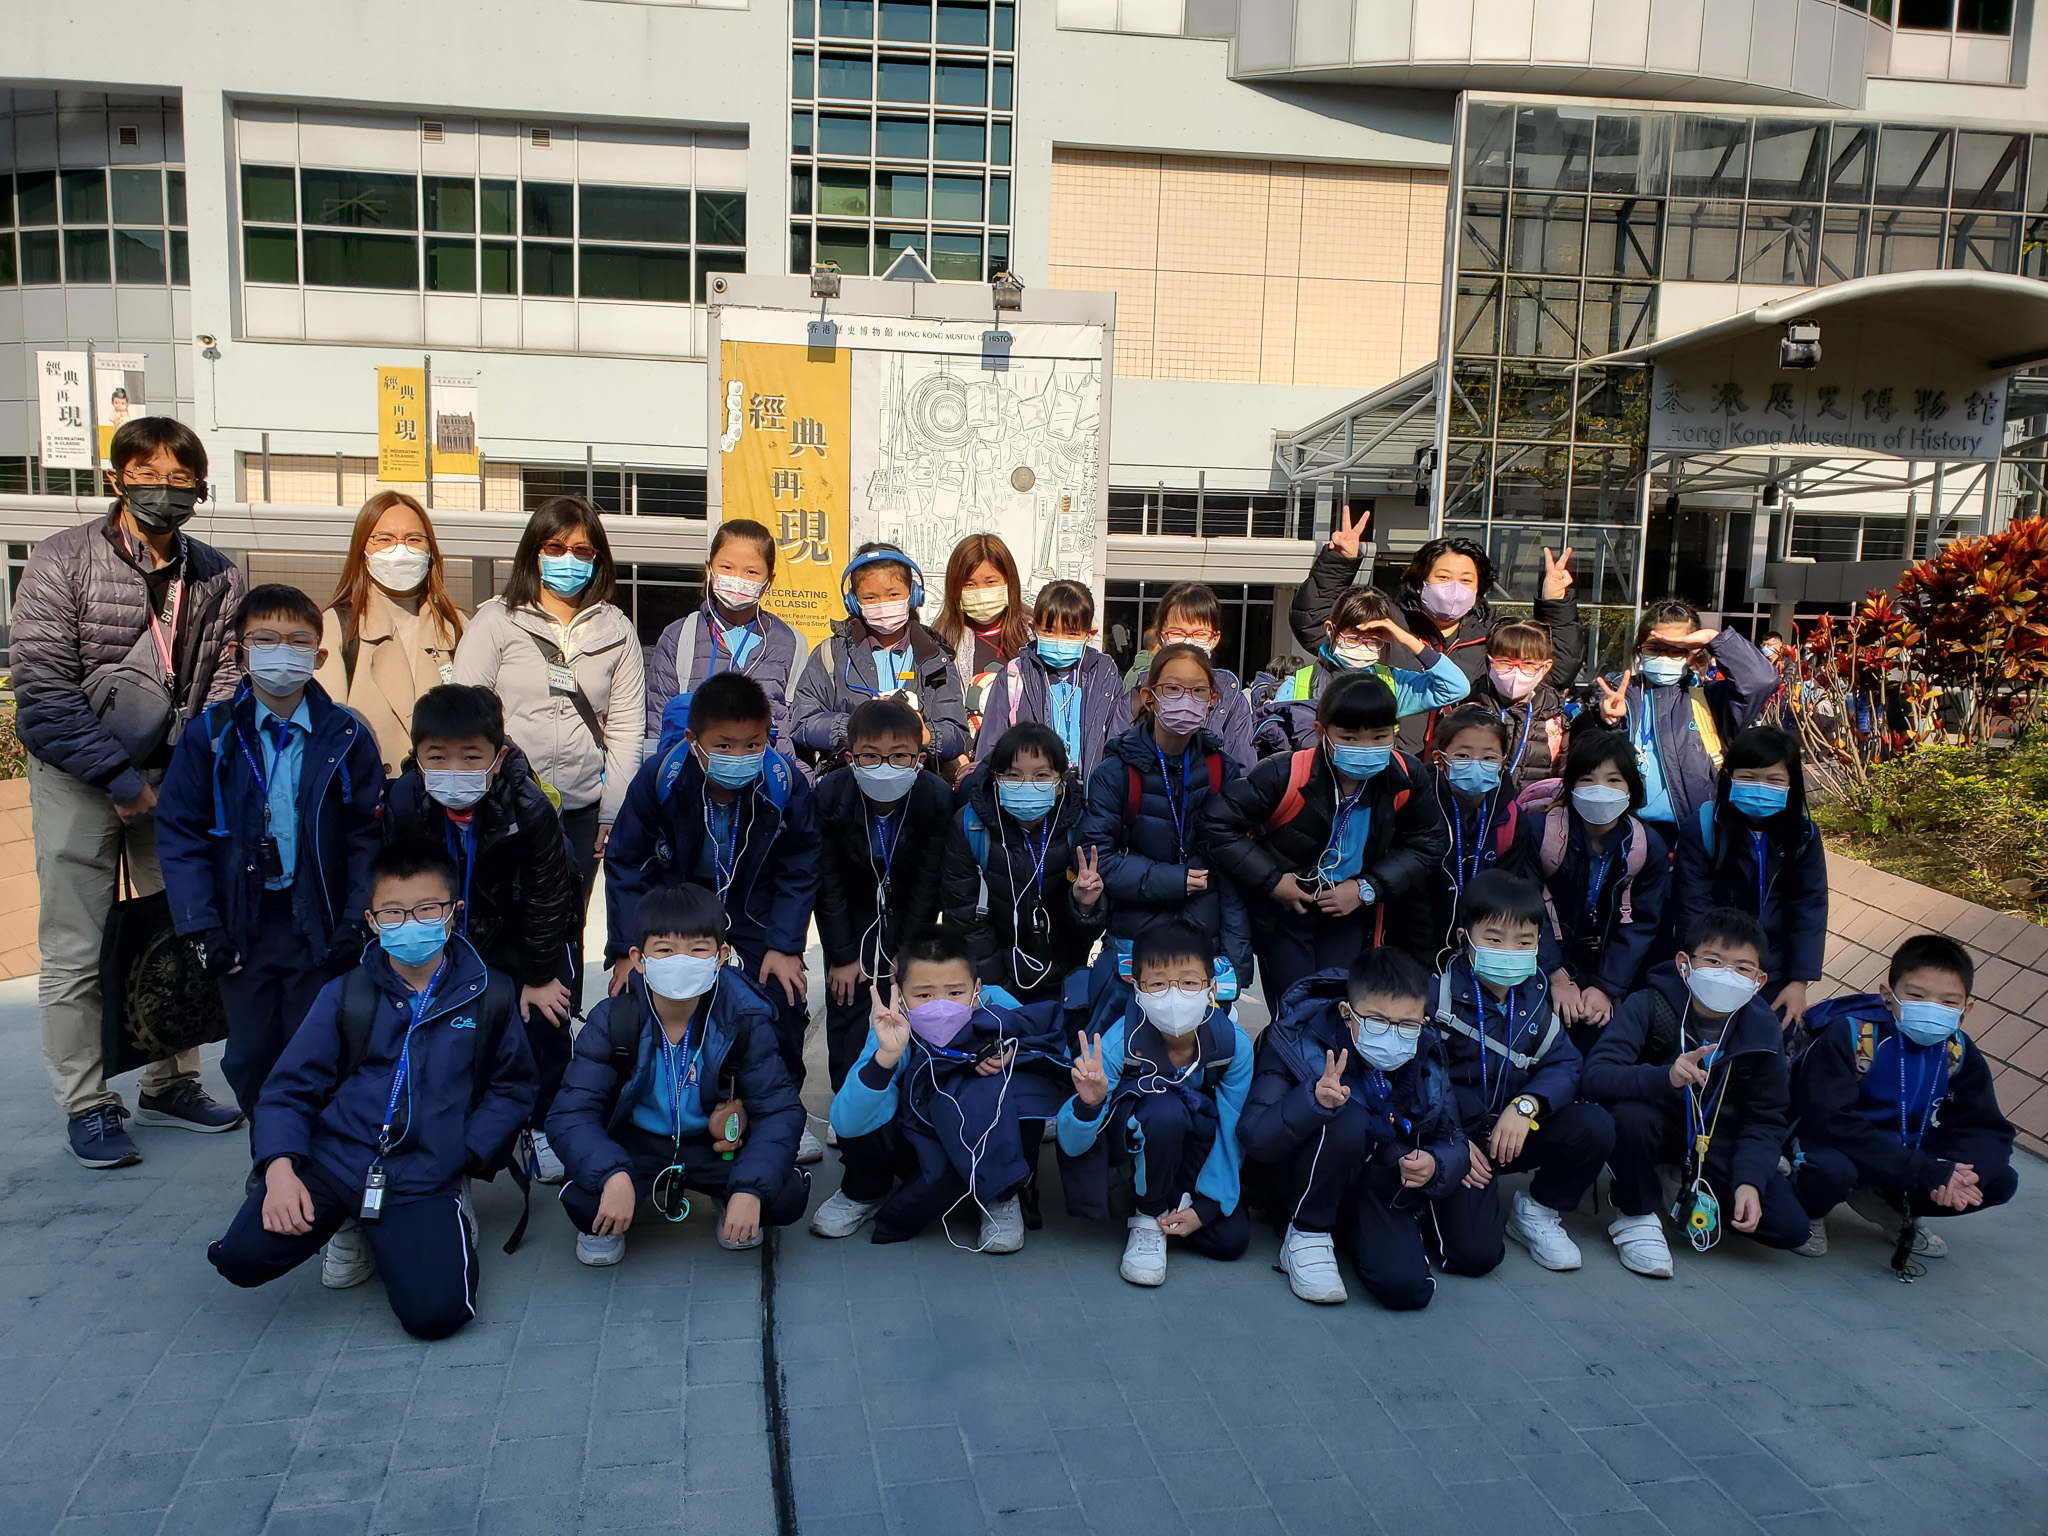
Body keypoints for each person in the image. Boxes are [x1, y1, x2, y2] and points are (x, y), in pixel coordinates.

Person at [13, 416, 247, 1165]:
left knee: (178, 931)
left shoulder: (217, 573)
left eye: (180, 478)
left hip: (172, 782)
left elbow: (225, 678)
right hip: (77, 776)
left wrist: (186, 776)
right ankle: (87, 1101)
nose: (163, 490)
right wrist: (114, 777)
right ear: (116, 478)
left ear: (200, 487)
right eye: (147, 475)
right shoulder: (61, 560)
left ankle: (171, 1080)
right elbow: (42, 686)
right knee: (76, 948)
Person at [206, 842, 536, 1338]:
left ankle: (421, 1219)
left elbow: (513, 1088)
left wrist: (464, 1154)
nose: (411, 923)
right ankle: (351, 1220)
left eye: (427, 909)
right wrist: (278, 1169)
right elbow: (288, 1089)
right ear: (373, 920)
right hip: (335, 1159)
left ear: (454, 912)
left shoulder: (492, 993)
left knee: (436, 1316)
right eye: (394, 913)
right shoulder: (346, 992)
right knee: (241, 1259)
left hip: (426, 1169)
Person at [157, 584, 385, 1129]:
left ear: (319, 657)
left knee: (319, 1042)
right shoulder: (210, 736)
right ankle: (271, 1150)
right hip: (244, 926)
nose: (283, 652)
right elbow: (181, 835)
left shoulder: (347, 735)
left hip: (319, 925)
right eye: (266, 639)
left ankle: (314, 1151)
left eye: (298, 642)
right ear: (239, 652)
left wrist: (357, 918)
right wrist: (202, 927)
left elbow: (367, 835)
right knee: (251, 1052)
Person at [604, 673, 820, 1161]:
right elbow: (625, 864)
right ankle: (651, 1110)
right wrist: (624, 949)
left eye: (753, 744)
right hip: (679, 908)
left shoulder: (784, 781)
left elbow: (801, 866)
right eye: (724, 745)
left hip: (753, 910)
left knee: (782, 997)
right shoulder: (660, 778)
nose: (739, 755)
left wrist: (785, 945)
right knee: (644, 998)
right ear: (693, 740)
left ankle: (781, 1112)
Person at [547, 884, 810, 1264]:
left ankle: (732, 1200)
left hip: (714, 1145)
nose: (681, 962)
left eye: (698, 949)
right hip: (637, 1143)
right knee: (586, 1202)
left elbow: (779, 1111)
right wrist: (611, 1175)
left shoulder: (744, 1019)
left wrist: (749, 1189)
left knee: (781, 1195)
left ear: (720, 957)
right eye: (665, 950)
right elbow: (571, 1113)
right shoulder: (613, 1020)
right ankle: (618, 1200)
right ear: (639, 959)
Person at [382, 685, 580, 1178]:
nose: (454, 770)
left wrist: (539, 975)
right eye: (437, 757)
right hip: (440, 933)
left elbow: (548, 896)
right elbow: (395, 879)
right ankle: (446, 1125)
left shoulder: (529, 806)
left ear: (498, 756)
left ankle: (544, 1122)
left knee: (543, 1018)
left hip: (521, 932)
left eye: (471, 756)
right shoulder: (405, 801)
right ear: (417, 755)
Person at [453, 496, 645, 1002]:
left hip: (580, 811)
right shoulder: (496, 621)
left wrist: (614, 811)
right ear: (533, 552)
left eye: (582, 551)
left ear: (599, 559)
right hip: (507, 808)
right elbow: (465, 714)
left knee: (564, 924)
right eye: (555, 547)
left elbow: (626, 728)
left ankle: (558, 1025)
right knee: (503, 920)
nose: (568, 560)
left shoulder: (618, 630)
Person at [1582, 908, 1808, 1279]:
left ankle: (1681, 1181)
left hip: (1715, 1138)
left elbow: (1765, 1117)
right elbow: (1596, 1076)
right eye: (1714, 961)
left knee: (1789, 1228)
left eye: (1742, 968)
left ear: (1759, 980)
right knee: (1631, 1118)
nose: (1727, 975)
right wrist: (1664, 1078)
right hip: (1658, 1123)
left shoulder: (1764, 1029)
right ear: (1684, 964)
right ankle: (1636, 1213)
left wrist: (1750, 1180)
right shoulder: (1649, 1003)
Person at [814, 929, 1072, 1251]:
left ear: (977, 990)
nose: (940, 1006)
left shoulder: (999, 1008)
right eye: (923, 995)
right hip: (919, 1140)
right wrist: (885, 1059)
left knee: (1022, 1087)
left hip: (983, 1132)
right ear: (901, 995)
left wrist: (1014, 1056)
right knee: (866, 1098)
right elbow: (845, 1122)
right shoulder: (894, 1024)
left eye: (955, 992)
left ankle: (1001, 1198)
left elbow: (1056, 1059)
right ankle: (864, 1191)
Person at [1203, 671, 1448, 1010]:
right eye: (1350, 738)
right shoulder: (1285, 773)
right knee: (1295, 1010)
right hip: (1286, 912)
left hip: (1350, 910)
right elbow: (1217, 822)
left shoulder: (1405, 775)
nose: (1367, 748)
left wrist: (1367, 889)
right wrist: (1273, 881)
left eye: (1379, 737)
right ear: (1322, 732)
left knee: (1339, 1008)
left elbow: (1428, 841)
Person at [1239, 947, 1468, 1308]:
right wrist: (1311, 1101)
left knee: (1407, 1290)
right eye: (1377, 1020)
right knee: (1349, 1115)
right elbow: (1255, 1136)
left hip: (1378, 1183)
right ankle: (1307, 1235)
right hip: (1301, 1180)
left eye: (1407, 1024)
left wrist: (1436, 1164)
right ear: (1347, 1013)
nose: (1393, 1034)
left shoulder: (1426, 1050)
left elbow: (1452, 1137)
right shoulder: (1294, 1040)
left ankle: (1351, 1233)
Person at [1426, 870, 1613, 1275]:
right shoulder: (1435, 997)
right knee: (1475, 1256)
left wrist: (1527, 1104)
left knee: (1594, 1124)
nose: (1509, 951)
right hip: (1454, 1139)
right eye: (1494, 939)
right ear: (1464, 937)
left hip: (1509, 1133)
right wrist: (1451, 1140)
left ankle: (1538, 1211)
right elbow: (1419, 1079)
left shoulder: (1534, 999)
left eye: (1524, 942)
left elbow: (1566, 1063)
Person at [1791, 934, 2018, 1264]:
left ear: (1965, 1009)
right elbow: (1828, 1120)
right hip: (1841, 1145)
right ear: (1888, 995)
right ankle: (1809, 1210)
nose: (1932, 1008)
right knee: (1831, 1170)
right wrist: (1923, 1170)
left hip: (1904, 1152)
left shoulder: (1957, 1050)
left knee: (1999, 1180)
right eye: (1916, 995)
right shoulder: (1852, 1034)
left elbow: (1984, 1126)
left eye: (1948, 1002)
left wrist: (1965, 1175)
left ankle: (1891, 1204)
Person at [1055, 920, 1254, 1287]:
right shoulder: (1118, 1042)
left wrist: (1207, 1207)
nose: (1174, 996)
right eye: (1158, 985)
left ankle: (1167, 1195)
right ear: (1137, 989)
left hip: (1195, 1138)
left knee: (1229, 1240)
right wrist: (1089, 1105)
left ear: (1211, 988)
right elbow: (1071, 1145)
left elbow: (1232, 1128)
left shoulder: (1233, 1045)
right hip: (1137, 1134)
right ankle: (1147, 1216)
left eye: (1189, 983)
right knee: (1165, 1112)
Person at [1080, 644, 1252, 993]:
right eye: (1173, 688)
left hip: (1202, 947)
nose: (1185, 699)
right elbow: (1099, 860)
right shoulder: (1116, 772)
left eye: (1198, 691)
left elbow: (1234, 872)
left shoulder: (1222, 770)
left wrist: (1235, 965)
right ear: (1149, 697)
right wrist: (1176, 880)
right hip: (1134, 943)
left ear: (1212, 700)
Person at [1288, 504, 1580, 693]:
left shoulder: (1492, 638)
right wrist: (1339, 562)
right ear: (1420, 582)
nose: (1454, 588)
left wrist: (1555, 602)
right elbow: (1313, 624)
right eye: (1443, 577)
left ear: (1479, 590)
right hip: (1394, 760)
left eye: (1466, 580)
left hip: (1464, 760)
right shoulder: (1388, 625)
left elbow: (1558, 669)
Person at [815, 697, 953, 1092]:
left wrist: (905, 950)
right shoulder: (830, 795)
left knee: (903, 997)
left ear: (920, 759)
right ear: (850, 759)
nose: (885, 766)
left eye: (900, 756)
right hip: (851, 908)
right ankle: (847, 1100)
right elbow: (827, 880)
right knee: (847, 997)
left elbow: (929, 882)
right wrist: (842, 955)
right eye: (871, 756)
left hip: (908, 907)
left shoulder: (935, 797)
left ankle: (903, 1095)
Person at [1669, 727, 1828, 1030]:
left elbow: (1809, 906)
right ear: (1729, 777)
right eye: (1749, 777)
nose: (1760, 787)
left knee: (1769, 1041)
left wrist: (1799, 981)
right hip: (1712, 965)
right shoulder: (1703, 828)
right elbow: (1692, 904)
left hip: (1773, 971)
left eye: (1774, 780)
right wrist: (1712, 969)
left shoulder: (1803, 835)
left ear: (1791, 783)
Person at [1586, 596, 1779, 846]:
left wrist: (1714, 639)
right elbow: (1586, 759)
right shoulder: (1618, 695)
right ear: (1639, 649)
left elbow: (1761, 682)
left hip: (1692, 835)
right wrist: (1608, 721)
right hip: (1625, 832)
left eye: (1676, 649)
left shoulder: (1711, 699)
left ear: (1692, 653)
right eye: (1654, 648)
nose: (1664, 656)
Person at [943, 722, 1106, 1003]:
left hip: (1064, 977)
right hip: (994, 981)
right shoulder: (971, 826)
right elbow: (963, 917)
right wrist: (1000, 988)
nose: (1027, 785)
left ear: (1061, 781)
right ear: (996, 779)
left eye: (1041, 776)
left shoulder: (1079, 827)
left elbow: (1086, 932)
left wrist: (1084, 906)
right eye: (1013, 775)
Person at [1530, 730, 1671, 1042]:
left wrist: (1606, 987)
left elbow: (1642, 924)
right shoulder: (1541, 834)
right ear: (1571, 786)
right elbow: (1527, 905)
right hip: (1546, 959)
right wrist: (1555, 975)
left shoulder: (1647, 847)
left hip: (1608, 966)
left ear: (1632, 788)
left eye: (1613, 780)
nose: (1600, 790)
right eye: (1587, 780)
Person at [314, 490, 465, 778]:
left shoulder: (457, 626)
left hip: (445, 789)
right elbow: (327, 727)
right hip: (371, 792)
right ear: (363, 551)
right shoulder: (337, 625)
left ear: (430, 551)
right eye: (384, 539)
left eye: (413, 539)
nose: (400, 550)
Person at [787, 542, 970, 769]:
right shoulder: (831, 653)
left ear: (913, 595)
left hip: (917, 777)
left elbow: (956, 734)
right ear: (853, 602)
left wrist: (923, 734)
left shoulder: (935, 658)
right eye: (870, 598)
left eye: (893, 594)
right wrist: (859, 726)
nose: (883, 605)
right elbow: (803, 722)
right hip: (848, 776)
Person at [643, 518, 808, 752]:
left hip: (766, 773)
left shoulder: (792, 643)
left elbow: (795, 735)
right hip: (694, 771)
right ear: (709, 569)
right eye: (727, 568)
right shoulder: (679, 637)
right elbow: (658, 727)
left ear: (769, 581)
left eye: (751, 572)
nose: (738, 579)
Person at [1256, 581, 1471, 757]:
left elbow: (1455, 687)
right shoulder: (1299, 683)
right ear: (1330, 629)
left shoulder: (1392, 684)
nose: (1362, 646)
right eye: (1353, 638)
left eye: (1373, 641)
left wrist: (1408, 640)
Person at [1407, 703, 1541, 964]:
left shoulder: (1511, 820)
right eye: (1463, 756)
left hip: (1483, 950)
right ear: (1440, 759)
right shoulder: (1417, 809)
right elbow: (1411, 896)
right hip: (1416, 946)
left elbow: (1507, 894)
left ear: (1503, 762)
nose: (1476, 765)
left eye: (1489, 758)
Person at [973, 578, 1130, 782]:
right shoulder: (1015, 674)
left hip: (1089, 792)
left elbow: (1116, 744)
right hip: (1031, 790)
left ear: (1089, 634)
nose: (1059, 641)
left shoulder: (1104, 675)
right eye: (1048, 631)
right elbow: (989, 748)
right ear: (1033, 627)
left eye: (1071, 633)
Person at [1117, 583, 1257, 768]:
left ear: (1214, 639)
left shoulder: (1232, 704)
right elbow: (1114, 770)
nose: (1188, 642)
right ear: (1160, 636)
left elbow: (1242, 774)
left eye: (1200, 634)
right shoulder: (1134, 702)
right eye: (1177, 633)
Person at [931, 532, 1029, 757]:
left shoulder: (1034, 636)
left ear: (1009, 582)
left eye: (991, 582)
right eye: (969, 584)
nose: (981, 592)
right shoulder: (937, 643)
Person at [1473, 618, 1577, 791]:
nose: (1516, 671)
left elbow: (1562, 778)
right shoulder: (1471, 712)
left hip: (1535, 805)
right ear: (1490, 661)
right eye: (1505, 662)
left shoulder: (1555, 722)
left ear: (1545, 667)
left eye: (1528, 664)